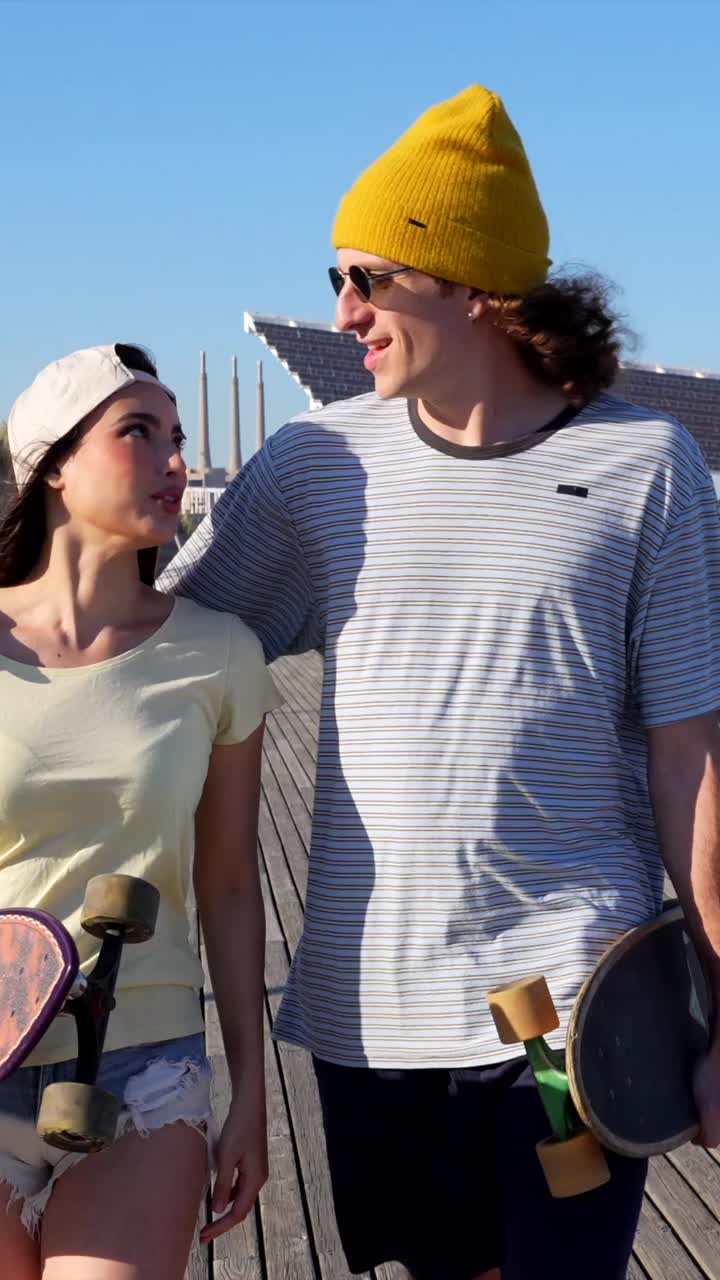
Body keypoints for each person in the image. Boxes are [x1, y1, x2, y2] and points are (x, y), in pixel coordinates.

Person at [159, 85, 720, 1280]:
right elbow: (168, 649)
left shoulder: (645, 464)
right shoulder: (317, 465)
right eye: (336, 279)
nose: (345, 310)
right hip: (372, 1009)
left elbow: (692, 756)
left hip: (573, 1006)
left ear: (475, 286)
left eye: (371, 278)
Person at [0, 343, 279, 1280]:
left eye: (179, 437)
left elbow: (232, 885)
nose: (175, 461)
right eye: (138, 433)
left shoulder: (220, 655)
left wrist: (252, 1092)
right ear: (51, 465)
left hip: (145, 1057)